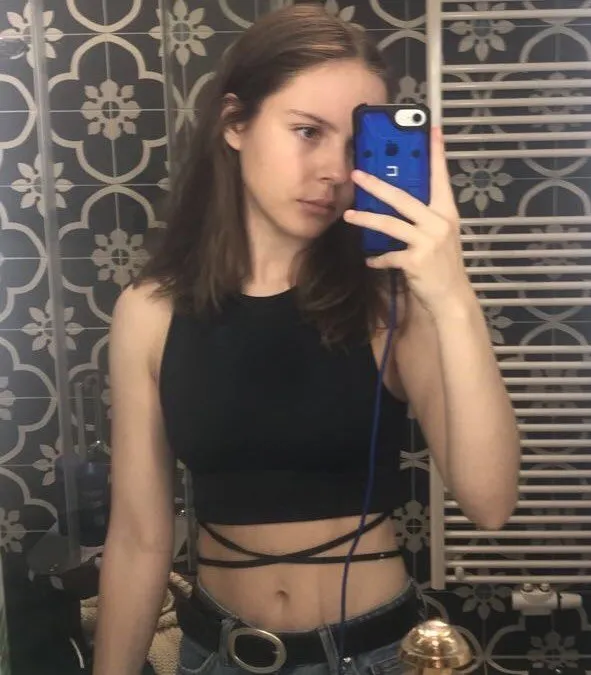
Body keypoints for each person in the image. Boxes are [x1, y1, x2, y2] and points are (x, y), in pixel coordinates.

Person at [92, 4, 521, 675]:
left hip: (376, 655)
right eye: (307, 131)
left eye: (353, 145)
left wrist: (453, 295)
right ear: (235, 123)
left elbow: (489, 502)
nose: (333, 170)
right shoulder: (149, 312)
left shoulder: (390, 303)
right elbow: (140, 539)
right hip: (221, 656)